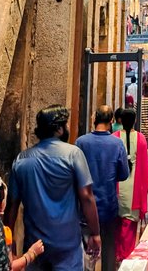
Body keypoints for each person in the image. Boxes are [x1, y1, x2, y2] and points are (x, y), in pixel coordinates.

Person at [6, 106, 101, 271]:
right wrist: (95, 233)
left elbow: (12, 207)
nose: (68, 129)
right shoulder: (73, 154)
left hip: (35, 247)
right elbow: (86, 196)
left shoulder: (21, 160)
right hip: (67, 245)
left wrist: (8, 244)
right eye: (66, 125)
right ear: (58, 129)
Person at [75, 106, 130, 271]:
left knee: (85, 252)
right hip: (108, 205)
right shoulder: (117, 143)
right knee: (108, 248)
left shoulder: (81, 142)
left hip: (84, 208)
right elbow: (124, 174)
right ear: (111, 121)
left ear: (94, 118)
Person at [115, 107, 148, 262]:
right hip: (134, 188)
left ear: (120, 120)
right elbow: (145, 169)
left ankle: (117, 254)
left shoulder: (115, 137)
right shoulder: (141, 139)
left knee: (118, 223)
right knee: (129, 226)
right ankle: (127, 255)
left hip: (118, 187)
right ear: (135, 121)